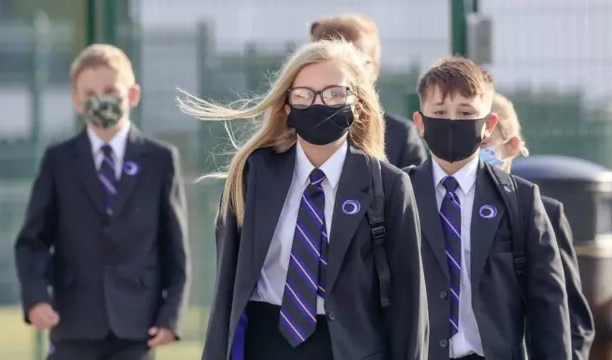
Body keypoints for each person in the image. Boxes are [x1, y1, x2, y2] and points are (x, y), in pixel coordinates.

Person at [178, 39, 428, 360]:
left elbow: (409, 305)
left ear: (358, 103)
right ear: (286, 105)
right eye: (304, 95)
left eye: (334, 93)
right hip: (265, 344)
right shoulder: (253, 173)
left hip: (352, 348)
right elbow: (227, 288)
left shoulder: (389, 185)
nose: (319, 104)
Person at [14, 44, 190, 360]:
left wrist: (171, 315)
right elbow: (33, 240)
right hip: (73, 323)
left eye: (110, 89)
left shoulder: (160, 160)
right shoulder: (59, 161)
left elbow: (175, 248)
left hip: (136, 327)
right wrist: (36, 298)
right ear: (77, 101)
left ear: (132, 95)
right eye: (90, 92)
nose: (101, 99)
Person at [406, 56, 572, 360]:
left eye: (466, 112)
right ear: (420, 123)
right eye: (440, 112)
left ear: (488, 125)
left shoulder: (520, 199)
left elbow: (547, 304)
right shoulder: (398, 194)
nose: (452, 121)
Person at [479, 93, 595, 360]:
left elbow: (573, 320)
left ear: (512, 146)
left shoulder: (545, 214)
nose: (475, 153)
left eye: (485, 142)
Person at [309, 13, 428, 168]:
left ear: (376, 69)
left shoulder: (400, 135)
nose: (347, 74)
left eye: (358, 63)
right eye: (336, 64)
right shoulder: (296, 128)